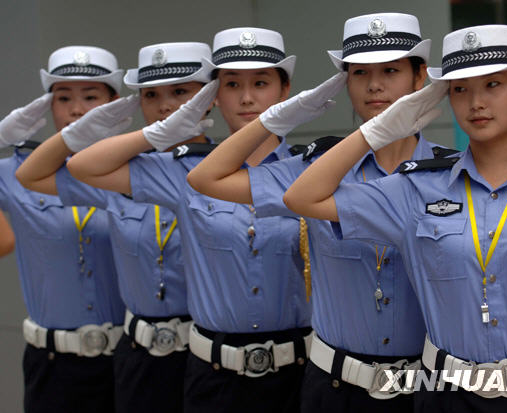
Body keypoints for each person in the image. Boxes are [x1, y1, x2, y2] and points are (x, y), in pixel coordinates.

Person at [283, 24, 507, 412]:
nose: (476, 103)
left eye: (493, 85)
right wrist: (376, 131)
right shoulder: (417, 187)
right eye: (460, 89)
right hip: (448, 396)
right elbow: (301, 197)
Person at [187, 13, 449, 412]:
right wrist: (271, 120)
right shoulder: (316, 168)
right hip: (335, 389)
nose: (375, 84)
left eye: (391, 71)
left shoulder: (449, 173)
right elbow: (207, 178)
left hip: (424, 388)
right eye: (360, 73)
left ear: (419, 79)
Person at [65, 27, 311, 413]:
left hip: (297, 371)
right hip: (214, 374)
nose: (247, 98)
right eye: (232, 84)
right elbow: (82, 167)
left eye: (261, 82)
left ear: (284, 89)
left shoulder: (311, 167)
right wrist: (158, 133)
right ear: (214, 94)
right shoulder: (183, 171)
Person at [16, 42, 213, 413]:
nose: (166, 106)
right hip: (138, 359)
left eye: (181, 92)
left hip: (204, 356)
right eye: (151, 95)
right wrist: (145, 137)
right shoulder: (124, 169)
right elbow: (30, 175)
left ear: (210, 97)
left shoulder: (225, 169)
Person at [0, 45, 125, 413]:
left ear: (113, 103)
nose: (76, 109)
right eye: (63, 97)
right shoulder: (14, 173)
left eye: (90, 96)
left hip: (129, 359)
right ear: (47, 106)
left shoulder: (141, 171)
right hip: (52, 363)